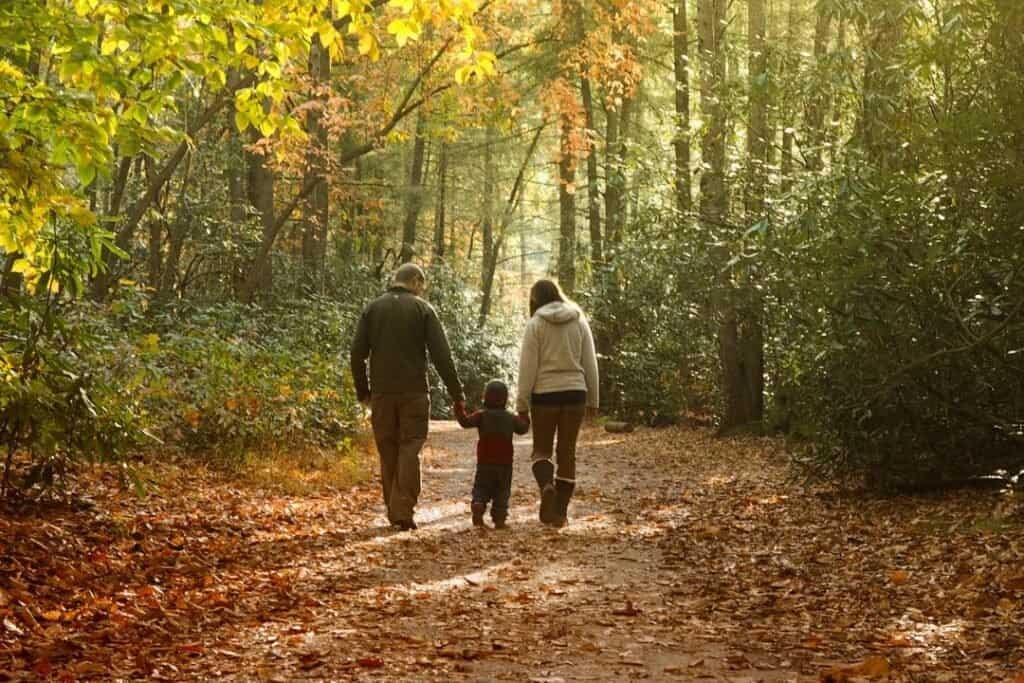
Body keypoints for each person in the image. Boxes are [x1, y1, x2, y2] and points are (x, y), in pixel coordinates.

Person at [350, 263, 465, 531]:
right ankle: (402, 510)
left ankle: (395, 509)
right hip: (414, 392)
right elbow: (442, 356)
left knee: (388, 450)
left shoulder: (372, 308)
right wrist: (456, 392)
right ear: (415, 281)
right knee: (410, 448)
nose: (422, 291)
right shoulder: (423, 310)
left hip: (381, 393)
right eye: (421, 285)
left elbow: (357, 354)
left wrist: (363, 391)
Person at [516, 279, 599, 527]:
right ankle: (560, 512)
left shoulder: (536, 324)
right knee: (567, 452)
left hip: (545, 396)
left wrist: (522, 402)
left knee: (541, 450)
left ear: (535, 300)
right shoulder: (578, 318)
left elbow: (527, 366)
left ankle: (546, 487)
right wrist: (593, 399)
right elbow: (589, 361)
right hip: (575, 393)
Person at [454, 379, 530, 530]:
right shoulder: (510, 417)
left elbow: (465, 422)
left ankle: (478, 504)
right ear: (506, 398)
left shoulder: (481, 415)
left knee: (481, 487)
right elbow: (523, 428)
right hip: (505, 464)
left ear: (485, 397)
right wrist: (524, 413)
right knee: (502, 491)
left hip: (484, 462)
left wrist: (458, 407)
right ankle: (500, 519)